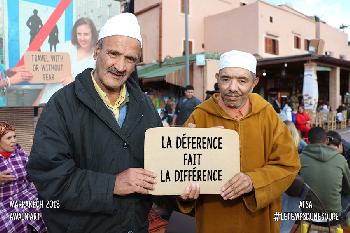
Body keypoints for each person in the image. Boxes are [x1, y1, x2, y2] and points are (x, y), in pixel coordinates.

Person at [27, 13, 162, 233]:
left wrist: (184, 154)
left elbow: (158, 163)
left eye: (130, 59)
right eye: (113, 53)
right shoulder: (62, 105)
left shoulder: (144, 106)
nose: (120, 66)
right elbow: (48, 176)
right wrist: (111, 185)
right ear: (97, 50)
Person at [177, 50, 300, 233]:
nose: (232, 87)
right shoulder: (199, 116)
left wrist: (254, 180)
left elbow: (289, 164)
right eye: (226, 79)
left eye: (242, 81)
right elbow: (179, 167)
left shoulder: (267, 115)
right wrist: (185, 192)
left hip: (258, 219)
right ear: (218, 78)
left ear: (254, 83)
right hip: (213, 217)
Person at [34, 17, 98, 105]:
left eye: (86, 34)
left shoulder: (95, 60)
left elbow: (92, 95)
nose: (82, 38)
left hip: (66, 108)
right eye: (79, 34)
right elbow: (48, 79)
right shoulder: (67, 46)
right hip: (45, 102)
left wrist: (72, 84)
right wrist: (36, 103)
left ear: (93, 34)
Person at [0, 121, 47, 233]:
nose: (14, 140)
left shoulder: (20, 153)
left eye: (14, 136)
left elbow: (33, 170)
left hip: (26, 195)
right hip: (4, 203)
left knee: (50, 208)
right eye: (9, 138)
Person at [300, 128, 350, 226]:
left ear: (308, 141)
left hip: (307, 214)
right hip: (333, 216)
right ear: (326, 140)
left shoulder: (299, 159)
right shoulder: (340, 159)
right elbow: (348, 188)